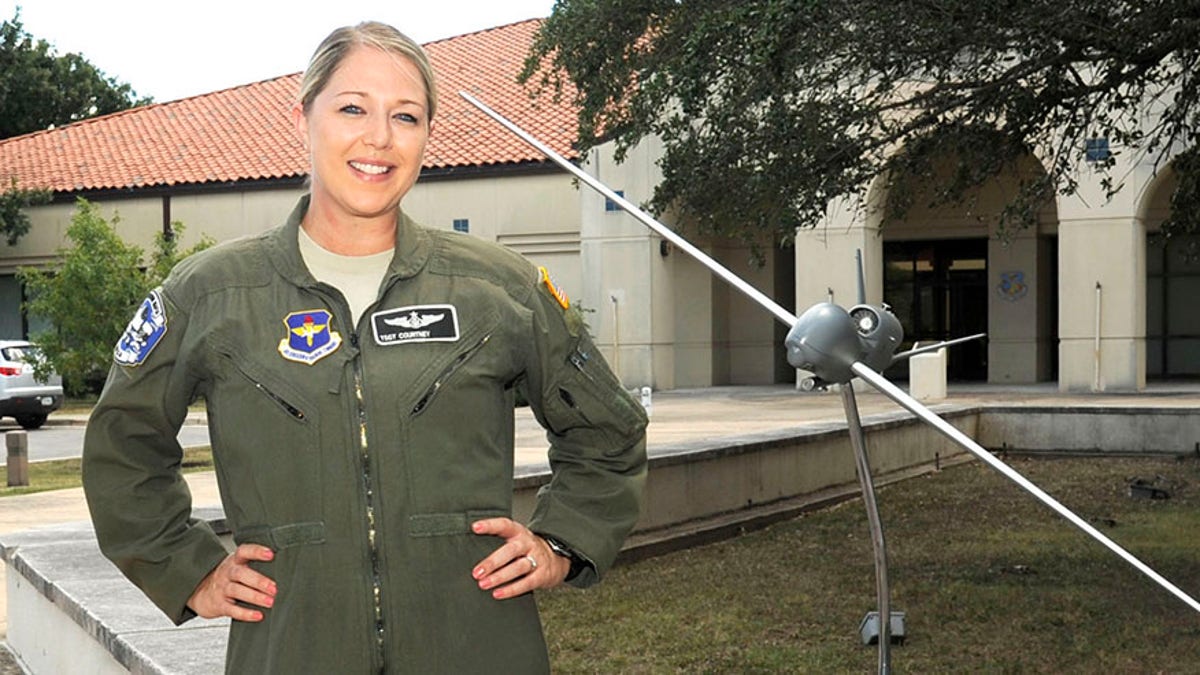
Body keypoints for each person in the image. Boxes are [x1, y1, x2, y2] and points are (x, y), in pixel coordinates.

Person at [82, 21, 648, 674]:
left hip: (479, 649)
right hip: (290, 651)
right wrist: (186, 566)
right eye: (352, 107)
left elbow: (609, 430)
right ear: (303, 117)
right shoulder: (210, 296)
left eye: (405, 116)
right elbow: (121, 442)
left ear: (427, 136)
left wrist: (562, 541)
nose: (379, 138)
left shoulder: (498, 289)